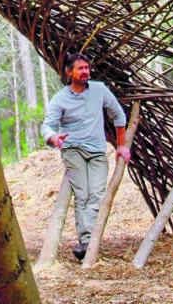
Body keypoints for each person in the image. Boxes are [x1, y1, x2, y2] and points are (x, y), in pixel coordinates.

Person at [41, 53, 131, 261]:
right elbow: (47, 125)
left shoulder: (99, 90)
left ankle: (89, 240)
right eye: (80, 69)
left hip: (97, 150)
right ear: (68, 72)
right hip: (73, 150)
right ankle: (87, 241)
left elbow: (118, 115)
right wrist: (54, 137)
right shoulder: (61, 98)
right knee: (82, 195)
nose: (85, 72)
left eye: (87, 68)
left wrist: (121, 145)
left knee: (97, 193)